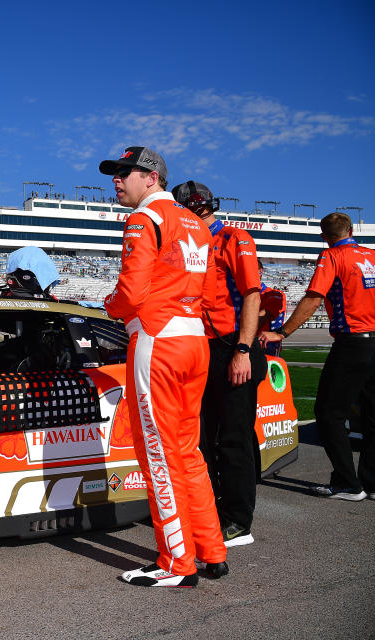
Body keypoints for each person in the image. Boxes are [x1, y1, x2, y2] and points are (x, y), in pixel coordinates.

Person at [100, 147, 226, 587]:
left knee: (158, 451)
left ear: (151, 177)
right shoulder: (197, 222)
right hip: (195, 340)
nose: (116, 180)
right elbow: (210, 296)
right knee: (188, 451)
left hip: (158, 340)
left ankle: (176, 563)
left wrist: (108, 306)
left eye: (124, 173)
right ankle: (211, 550)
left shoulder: (143, 219)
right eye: (114, 174)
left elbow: (131, 294)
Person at [171, 181, 266, 549]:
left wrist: (242, 349)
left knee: (233, 439)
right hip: (204, 348)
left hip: (233, 347)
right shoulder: (191, 241)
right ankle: (209, 512)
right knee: (204, 437)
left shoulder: (233, 237)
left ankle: (239, 522)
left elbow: (252, 295)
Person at [260, 212, 375, 500]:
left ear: (324, 236)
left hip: (352, 342)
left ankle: (347, 483)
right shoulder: (371, 256)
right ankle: (371, 482)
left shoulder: (332, 257)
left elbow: (313, 298)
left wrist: (282, 333)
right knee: (373, 414)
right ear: (350, 229)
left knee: (328, 413)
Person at [257, 258, 286, 356]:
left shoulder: (274, 294)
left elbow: (259, 319)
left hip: (265, 351)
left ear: (260, 271)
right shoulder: (239, 296)